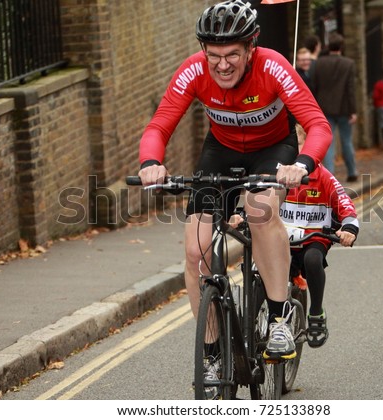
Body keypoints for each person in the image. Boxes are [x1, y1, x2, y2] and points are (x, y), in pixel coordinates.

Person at [137, 0, 332, 368]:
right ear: (203, 51)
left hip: (274, 148)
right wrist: (150, 163)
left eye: (231, 55)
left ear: (250, 49)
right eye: (214, 55)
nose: (222, 64)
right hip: (222, 149)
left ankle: (278, 320)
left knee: (260, 213)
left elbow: (318, 125)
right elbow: (159, 125)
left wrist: (303, 164)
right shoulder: (194, 71)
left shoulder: (274, 66)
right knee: (196, 253)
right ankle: (211, 353)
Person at [282, 125, 358, 347]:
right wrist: (240, 215)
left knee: (312, 260)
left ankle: (315, 314)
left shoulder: (323, 176)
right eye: (290, 144)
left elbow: (346, 207)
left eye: (299, 142)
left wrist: (349, 229)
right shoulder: (275, 174)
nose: (294, 149)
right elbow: (254, 200)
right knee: (261, 269)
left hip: (312, 239)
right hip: (279, 240)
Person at [311, 32, 359, 183]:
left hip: (324, 108)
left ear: (328, 46)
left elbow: (314, 86)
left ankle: (330, 176)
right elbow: (350, 89)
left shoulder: (318, 63)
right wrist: (353, 110)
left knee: (328, 144)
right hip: (344, 108)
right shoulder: (348, 63)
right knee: (346, 141)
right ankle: (352, 171)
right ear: (341, 47)